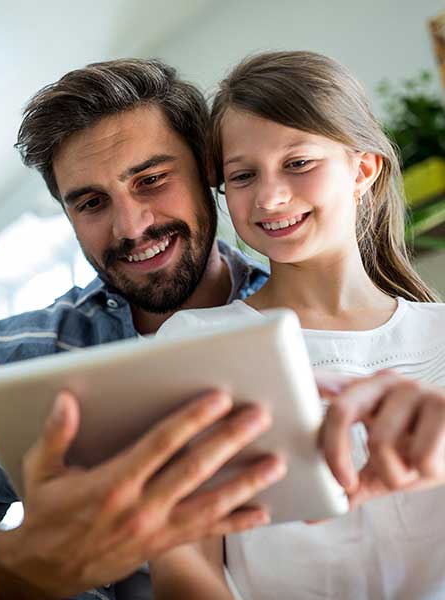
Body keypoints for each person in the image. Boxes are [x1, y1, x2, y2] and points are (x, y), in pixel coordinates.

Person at [0, 58, 287, 600]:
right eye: (92, 203)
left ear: (208, 170)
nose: (132, 227)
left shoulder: (297, 311)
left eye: (151, 180)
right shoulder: (27, 347)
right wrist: (30, 559)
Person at [153, 51, 445, 599]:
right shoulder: (196, 342)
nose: (269, 197)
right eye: (242, 175)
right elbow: (183, 567)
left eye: (298, 163)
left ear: (362, 170)